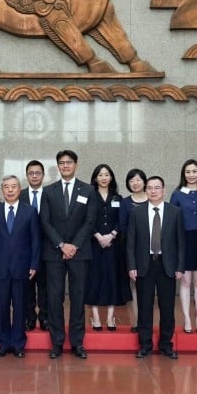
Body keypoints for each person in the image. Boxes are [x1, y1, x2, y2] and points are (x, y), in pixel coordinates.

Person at [40, 149, 98, 359]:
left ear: (76, 164)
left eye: (69, 162)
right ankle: (56, 342)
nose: (65, 166)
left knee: (77, 297)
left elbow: (90, 220)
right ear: (58, 166)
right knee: (54, 298)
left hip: (80, 253)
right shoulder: (49, 191)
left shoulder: (88, 190)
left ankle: (77, 343)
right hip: (54, 253)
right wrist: (61, 244)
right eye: (62, 163)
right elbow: (44, 221)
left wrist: (74, 245)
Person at [127, 176, 186, 359]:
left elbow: (180, 243)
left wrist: (179, 267)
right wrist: (132, 266)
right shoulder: (137, 213)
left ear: (164, 190)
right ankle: (145, 344)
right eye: (150, 188)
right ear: (146, 191)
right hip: (144, 265)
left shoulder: (174, 212)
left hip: (166, 265)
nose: (153, 191)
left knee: (167, 307)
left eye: (157, 188)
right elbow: (130, 243)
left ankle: (166, 345)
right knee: (144, 307)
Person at [0, 175, 40, 358]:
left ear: (19, 189)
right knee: (1, 307)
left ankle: (18, 344)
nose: (10, 190)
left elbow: (35, 241)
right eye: (6, 186)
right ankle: (3, 343)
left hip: (22, 267)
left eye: (13, 186)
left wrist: (34, 263)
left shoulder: (30, 211)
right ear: (1, 189)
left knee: (20, 307)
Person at [170, 159, 197, 334]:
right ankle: (187, 319)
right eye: (187, 172)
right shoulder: (177, 194)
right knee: (186, 281)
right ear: (183, 174)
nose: (191, 175)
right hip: (184, 240)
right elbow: (172, 220)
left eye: (194, 171)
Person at [85, 164, 124, 331]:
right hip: (94, 244)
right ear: (95, 178)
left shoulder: (118, 198)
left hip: (113, 245)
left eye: (107, 174)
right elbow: (85, 219)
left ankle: (110, 318)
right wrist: (98, 236)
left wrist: (111, 235)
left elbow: (122, 220)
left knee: (111, 279)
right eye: (100, 175)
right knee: (94, 279)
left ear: (111, 178)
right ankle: (95, 318)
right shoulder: (88, 196)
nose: (103, 178)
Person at [18, 160, 48, 332]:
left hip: (46, 248)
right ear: (27, 175)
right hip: (24, 250)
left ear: (43, 175)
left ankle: (44, 317)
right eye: (31, 173)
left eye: (38, 173)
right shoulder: (19, 195)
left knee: (45, 286)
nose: (34, 176)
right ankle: (29, 317)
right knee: (26, 286)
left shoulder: (51, 194)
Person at [119, 168, 148, 333]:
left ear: (144, 181)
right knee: (134, 285)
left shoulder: (152, 199)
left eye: (138, 179)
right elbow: (123, 227)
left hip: (151, 250)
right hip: (131, 249)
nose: (135, 183)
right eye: (131, 181)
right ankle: (136, 320)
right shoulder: (125, 202)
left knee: (147, 286)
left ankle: (147, 320)